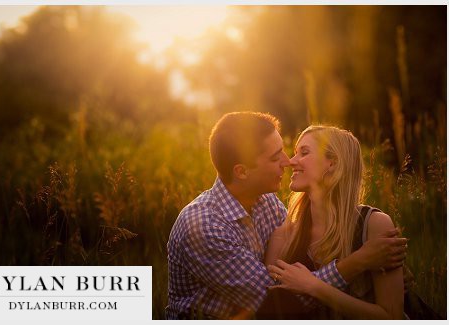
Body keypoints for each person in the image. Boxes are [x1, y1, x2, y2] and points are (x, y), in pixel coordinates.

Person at [166, 112, 408, 319]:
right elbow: (275, 304)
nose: (288, 162)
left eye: (295, 152)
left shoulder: (269, 204)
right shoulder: (203, 225)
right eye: (275, 157)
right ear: (241, 172)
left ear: (333, 164)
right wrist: (358, 262)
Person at [264, 125, 405, 319]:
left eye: (304, 152)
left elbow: (392, 317)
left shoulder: (374, 226)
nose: (291, 161)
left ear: (332, 163)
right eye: (295, 152)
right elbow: (273, 311)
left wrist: (314, 286)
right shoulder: (283, 236)